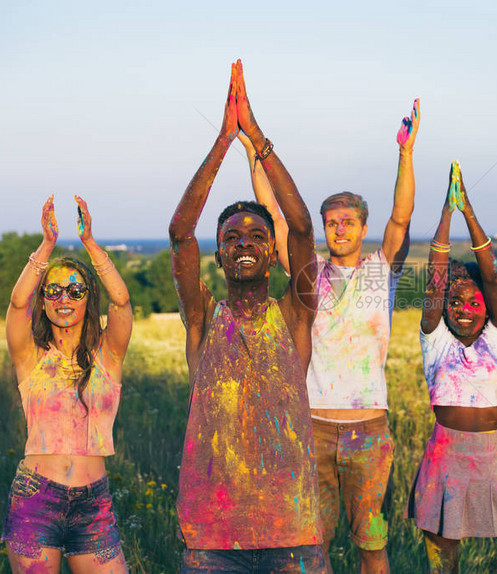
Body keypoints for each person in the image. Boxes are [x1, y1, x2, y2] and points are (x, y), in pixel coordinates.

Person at [239, 97, 420, 573]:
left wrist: (405, 154)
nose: (339, 229)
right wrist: (252, 154)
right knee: (308, 545)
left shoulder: (383, 272)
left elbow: (401, 218)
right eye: (331, 222)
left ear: (362, 227)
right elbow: (275, 218)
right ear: (323, 228)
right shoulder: (309, 273)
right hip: (312, 426)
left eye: (348, 222)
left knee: (372, 542)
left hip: (368, 431)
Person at [168, 60, 325, 573]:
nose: (244, 244)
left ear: (271, 251)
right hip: (212, 534)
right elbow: (180, 235)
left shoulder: (294, 314)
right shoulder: (203, 319)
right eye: (231, 238)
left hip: (292, 529)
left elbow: (301, 228)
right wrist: (222, 142)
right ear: (218, 256)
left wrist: (255, 137)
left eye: (257, 236)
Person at [407, 163, 497, 574]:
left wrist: (467, 209)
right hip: (443, 463)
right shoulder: (435, 341)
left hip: (491, 461)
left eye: (473, 302)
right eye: (455, 303)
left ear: (487, 306)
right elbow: (435, 280)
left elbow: (493, 277)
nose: (464, 310)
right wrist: (446, 213)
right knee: (443, 567)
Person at [3, 195, 132, 573]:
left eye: (76, 291)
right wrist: (47, 245)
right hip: (34, 501)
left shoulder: (108, 356)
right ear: (42, 302)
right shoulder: (31, 357)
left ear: (88, 299)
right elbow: (15, 303)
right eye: (53, 291)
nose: (64, 299)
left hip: (94, 505)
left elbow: (122, 303)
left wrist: (90, 244)